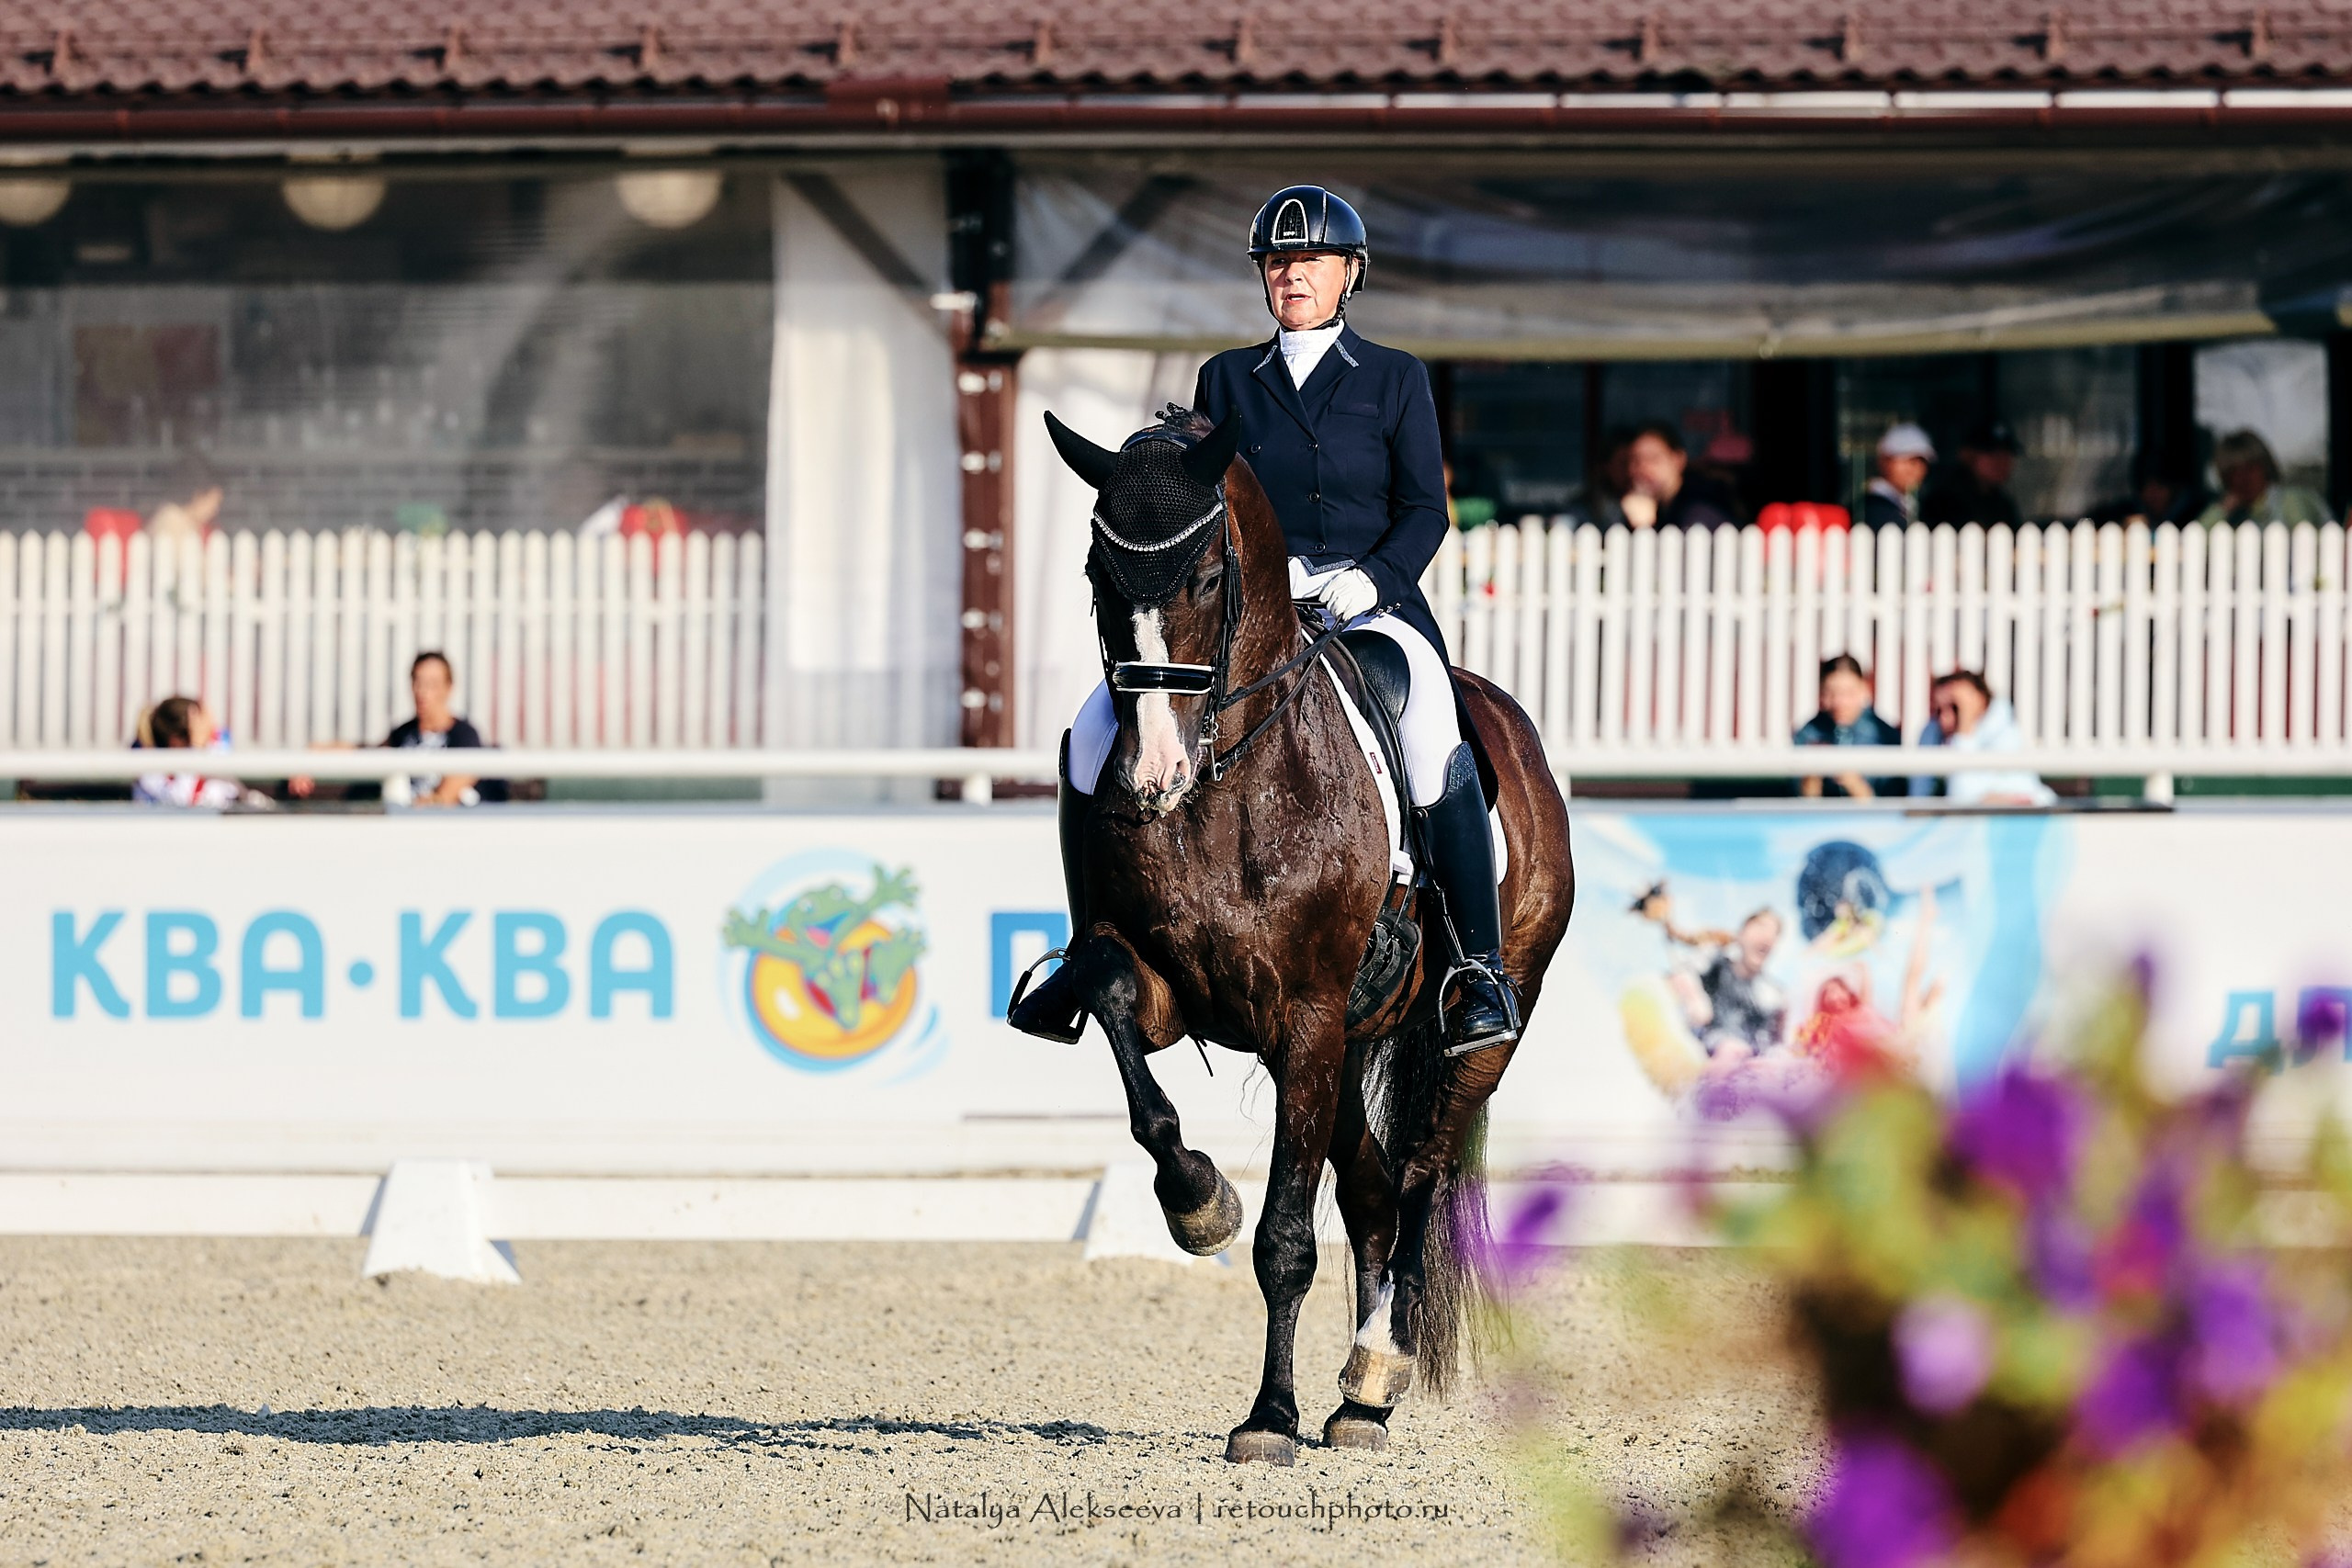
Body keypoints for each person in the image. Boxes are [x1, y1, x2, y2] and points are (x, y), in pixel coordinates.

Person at [1010, 183, 1519, 1055]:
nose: (1292, 275)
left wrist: (1373, 578)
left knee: (1434, 723)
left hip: (1369, 606)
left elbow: (1425, 510)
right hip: (1257, 614)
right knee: (1095, 729)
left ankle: (1476, 967)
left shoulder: (1395, 377)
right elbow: (1199, 497)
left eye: (1309, 261)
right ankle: (1081, 948)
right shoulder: (1225, 378)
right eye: (1278, 262)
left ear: (1347, 274)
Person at [1911, 670, 2055, 807]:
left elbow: (1962, 796)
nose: (1944, 719)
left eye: (1955, 708)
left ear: (1981, 701)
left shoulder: (2006, 737)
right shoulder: (1933, 733)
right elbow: (1920, 798)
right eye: (1938, 710)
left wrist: (1965, 725)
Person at [1793, 653, 1904, 798]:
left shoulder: (1884, 735)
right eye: (1831, 693)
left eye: (1848, 693)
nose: (1840, 702)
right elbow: (1800, 805)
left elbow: (1892, 803)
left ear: (1864, 689)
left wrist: (1855, 785)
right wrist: (1811, 779)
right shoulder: (1808, 734)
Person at [132, 695, 267, 808]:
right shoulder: (151, 771)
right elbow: (185, 802)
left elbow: (234, 791)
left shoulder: (211, 758)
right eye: (207, 733)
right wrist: (197, 749)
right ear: (176, 740)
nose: (215, 740)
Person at [2194, 430, 2334, 526]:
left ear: (2265, 466)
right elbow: (2194, 541)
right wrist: (2222, 509)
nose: (2242, 479)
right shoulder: (2240, 516)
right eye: (2233, 472)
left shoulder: (2291, 501)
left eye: (2249, 469)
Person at [1620, 422, 1740, 529]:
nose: (1643, 468)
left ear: (1678, 460)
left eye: (1653, 459)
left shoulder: (1699, 509)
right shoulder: (1659, 506)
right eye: (1635, 460)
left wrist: (1645, 528)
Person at [1919, 419, 2026, 528]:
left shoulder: (2001, 503)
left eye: (2007, 455)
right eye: (1991, 454)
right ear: (1966, 454)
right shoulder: (1943, 502)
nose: (2001, 462)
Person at [1862, 423, 1934, 528]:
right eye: (1906, 459)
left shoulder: (1909, 505)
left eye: (1921, 461)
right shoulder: (1872, 508)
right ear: (1884, 461)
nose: (1914, 469)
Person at [147, 453, 224, 547]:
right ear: (198, 496)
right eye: (213, 502)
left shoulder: (191, 523)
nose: (215, 510)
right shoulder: (172, 522)